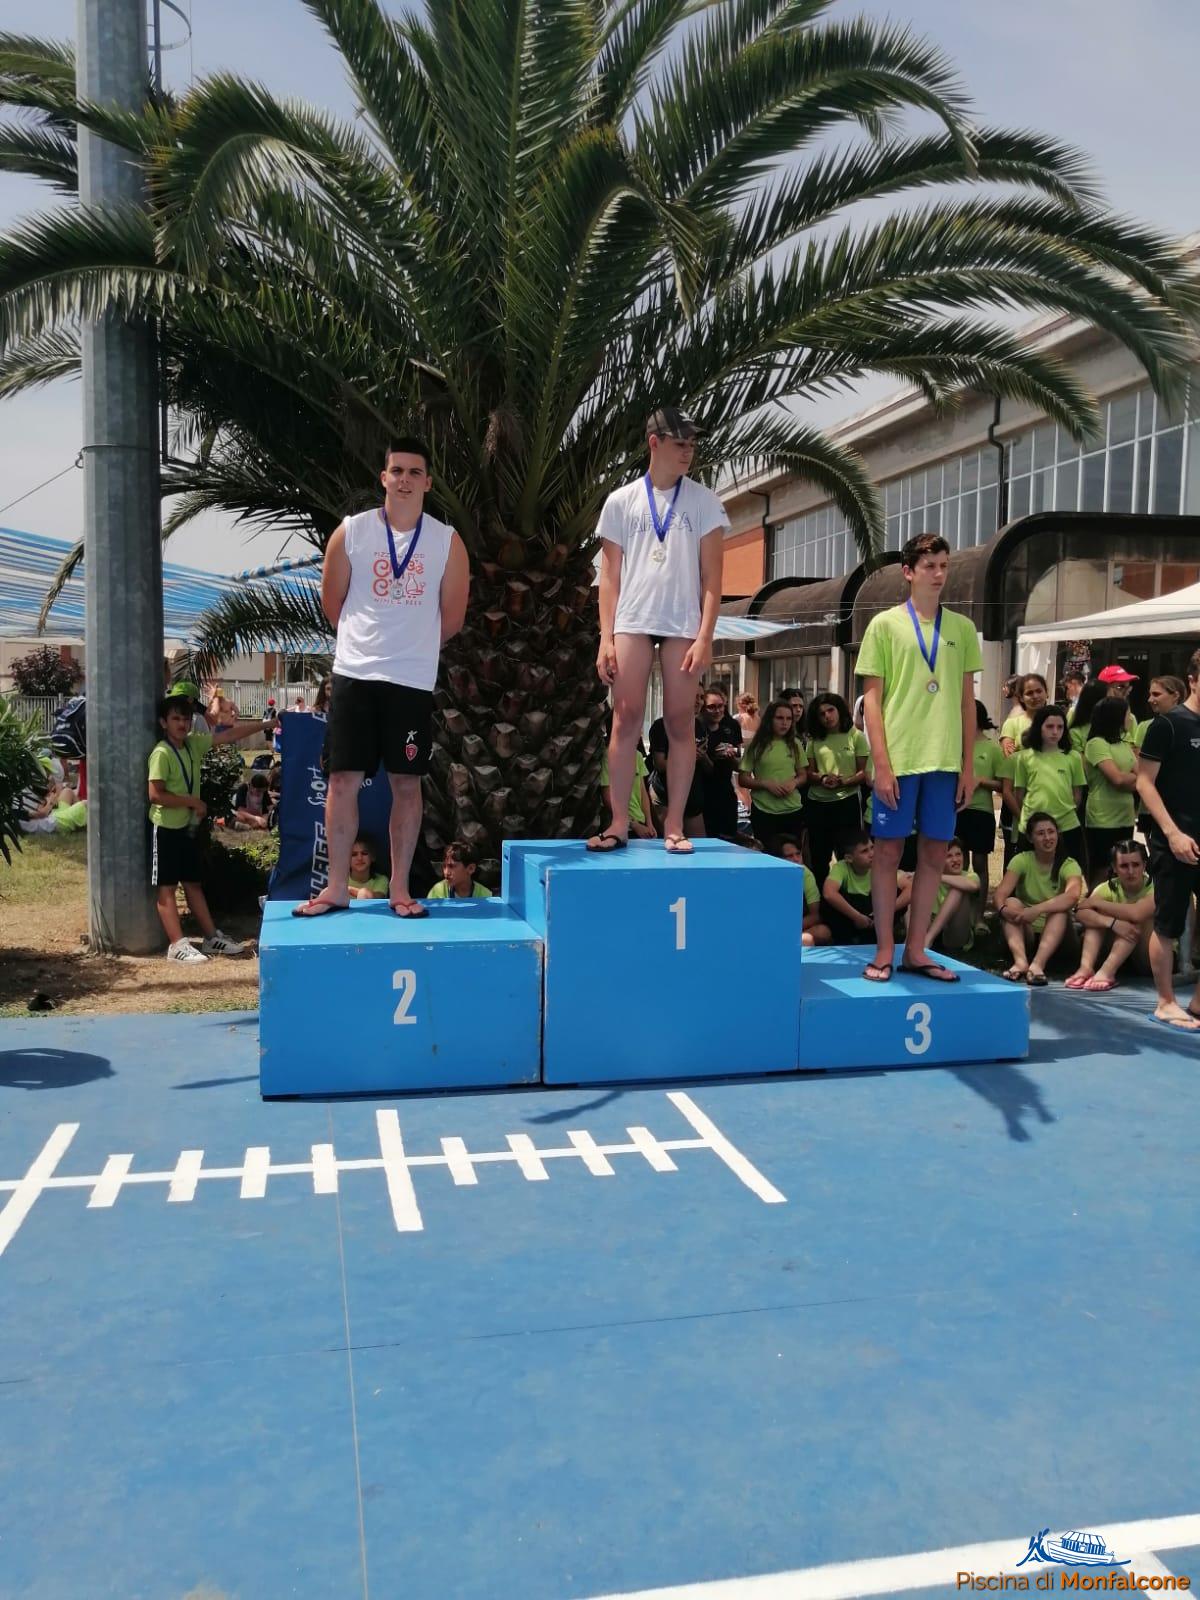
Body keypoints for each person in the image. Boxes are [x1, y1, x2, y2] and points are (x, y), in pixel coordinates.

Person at [292, 436, 470, 918]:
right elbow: (332, 603)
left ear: (428, 482)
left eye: (415, 472)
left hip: (410, 682)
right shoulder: (351, 532)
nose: (405, 480)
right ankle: (336, 887)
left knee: (407, 785)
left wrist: (411, 647)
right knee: (341, 780)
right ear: (383, 478)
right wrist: (367, 645)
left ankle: (399, 889)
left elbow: (452, 618)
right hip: (355, 673)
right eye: (397, 471)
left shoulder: (447, 542)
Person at [589, 406, 728, 856]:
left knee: (680, 721)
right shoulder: (621, 501)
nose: (689, 451)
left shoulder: (705, 502)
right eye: (680, 442)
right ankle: (618, 823)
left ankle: (674, 825)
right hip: (632, 618)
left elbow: (713, 579)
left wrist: (705, 637)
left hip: (682, 623)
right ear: (655, 443)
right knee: (625, 718)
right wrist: (605, 637)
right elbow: (609, 577)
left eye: (692, 443)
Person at [857, 530, 982, 984]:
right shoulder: (884, 625)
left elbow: (967, 703)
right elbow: (872, 701)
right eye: (930, 566)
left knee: (934, 854)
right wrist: (882, 765)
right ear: (908, 571)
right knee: (888, 853)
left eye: (944, 566)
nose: (938, 574)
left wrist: (968, 766)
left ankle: (916, 949)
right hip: (900, 758)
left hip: (944, 762)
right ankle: (884, 948)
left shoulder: (962, 628)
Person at [148, 695, 263, 962]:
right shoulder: (162, 753)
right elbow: (155, 795)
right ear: (163, 722)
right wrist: (192, 802)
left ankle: (211, 937)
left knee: (193, 883)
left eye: (186, 719)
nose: (182, 724)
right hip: (166, 828)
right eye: (176, 718)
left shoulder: (192, 745)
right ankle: (177, 944)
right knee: (167, 887)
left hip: (187, 827)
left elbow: (229, 735)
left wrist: (267, 725)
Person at [1134, 648, 1200, 1030]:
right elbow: (1144, 782)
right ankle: (1165, 1002)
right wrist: (1173, 833)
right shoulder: (1169, 725)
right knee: (1168, 923)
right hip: (1173, 838)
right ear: (1192, 680)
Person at [993, 812, 1084, 985]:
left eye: (1051, 832)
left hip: (1060, 936)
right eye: (1041, 833)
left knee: (1060, 912)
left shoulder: (1069, 864)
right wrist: (1003, 910)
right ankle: (1020, 961)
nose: (1047, 838)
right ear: (1030, 838)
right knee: (1011, 902)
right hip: (1027, 930)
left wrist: (1036, 909)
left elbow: (1072, 896)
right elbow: (1000, 895)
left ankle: (1037, 965)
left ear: (1058, 834)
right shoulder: (1021, 860)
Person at [1066, 839, 1154, 992]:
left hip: (1149, 959)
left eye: (1136, 865)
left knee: (1135, 918)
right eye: (1124, 866)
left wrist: (1097, 903)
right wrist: (1111, 923)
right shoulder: (1107, 887)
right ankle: (1086, 968)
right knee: (1096, 918)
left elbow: (1136, 913)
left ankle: (1107, 972)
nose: (1131, 871)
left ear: (1144, 865)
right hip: (1119, 955)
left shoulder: (1155, 888)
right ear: (1114, 867)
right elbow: (1081, 912)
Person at [1005, 703, 1085, 864]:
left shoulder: (1073, 757)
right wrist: (1031, 818)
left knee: (1069, 870)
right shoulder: (1024, 758)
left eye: (1060, 727)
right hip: (1032, 825)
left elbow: (1077, 794)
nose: (1055, 732)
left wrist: (1064, 812)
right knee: (1028, 871)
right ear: (1038, 727)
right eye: (1049, 726)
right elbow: (1019, 795)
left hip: (1067, 825)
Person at [805, 692, 869, 887]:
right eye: (821, 713)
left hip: (847, 802)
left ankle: (847, 895)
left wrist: (845, 782)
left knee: (848, 855)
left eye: (830, 710)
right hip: (817, 804)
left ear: (839, 710)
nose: (827, 716)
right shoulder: (814, 740)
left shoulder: (856, 736)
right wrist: (822, 778)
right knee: (819, 858)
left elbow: (864, 773)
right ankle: (820, 897)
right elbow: (808, 772)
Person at [957, 699, 1006, 925]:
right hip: (956, 810)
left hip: (981, 812)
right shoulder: (954, 746)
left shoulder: (992, 748)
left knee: (979, 864)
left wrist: (980, 781)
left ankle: (978, 916)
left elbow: (1002, 785)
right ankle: (959, 914)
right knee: (957, 864)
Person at [738, 698, 807, 852]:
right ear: (770, 719)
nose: (784, 723)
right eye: (780, 718)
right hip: (764, 811)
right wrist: (765, 784)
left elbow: (803, 775)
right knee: (768, 854)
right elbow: (743, 778)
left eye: (788, 719)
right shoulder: (756, 746)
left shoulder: (795, 744)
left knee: (792, 855)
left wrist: (794, 783)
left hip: (792, 810)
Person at [1082, 695, 1138, 882]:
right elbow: (1117, 779)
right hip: (1103, 818)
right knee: (1102, 869)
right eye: (1128, 714)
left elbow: (1142, 776)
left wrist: (1131, 779)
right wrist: (1132, 779)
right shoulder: (1096, 744)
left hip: (1126, 816)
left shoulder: (1124, 744)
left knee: (1122, 868)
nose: (1130, 719)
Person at [822, 829, 912, 945]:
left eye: (872, 847)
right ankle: (845, 939)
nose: (872, 854)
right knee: (829, 904)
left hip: (877, 914)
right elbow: (828, 893)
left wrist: (886, 911)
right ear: (849, 858)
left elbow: (910, 890)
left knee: (897, 893)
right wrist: (857, 917)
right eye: (864, 851)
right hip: (851, 917)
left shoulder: (881, 865)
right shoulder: (841, 867)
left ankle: (882, 937)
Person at [646, 691, 706, 838]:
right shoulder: (660, 726)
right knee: (670, 841)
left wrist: (705, 758)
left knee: (699, 844)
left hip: (692, 794)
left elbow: (706, 766)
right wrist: (688, 757)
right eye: (694, 696)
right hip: (664, 794)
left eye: (701, 697)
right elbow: (660, 764)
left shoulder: (699, 726)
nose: (698, 701)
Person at [695, 685, 743, 841]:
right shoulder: (697, 728)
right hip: (702, 793)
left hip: (725, 793)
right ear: (704, 708)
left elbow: (740, 764)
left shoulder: (731, 726)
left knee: (729, 839)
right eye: (712, 707)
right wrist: (707, 757)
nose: (717, 711)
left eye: (720, 706)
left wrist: (731, 756)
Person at [920, 837, 979, 954]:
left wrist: (938, 877)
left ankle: (928, 940)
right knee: (914, 891)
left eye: (958, 854)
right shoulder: (930, 877)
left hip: (954, 935)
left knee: (958, 888)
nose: (955, 860)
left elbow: (973, 886)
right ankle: (910, 940)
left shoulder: (970, 876)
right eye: (949, 856)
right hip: (929, 926)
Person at [600, 717, 656, 840]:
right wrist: (632, 824)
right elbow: (607, 798)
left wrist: (649, 823)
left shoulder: (638, 756)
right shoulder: (608, 757)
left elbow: (643, 792)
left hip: (641, 825)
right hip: (621, 827)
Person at [772, 834, 831, 945]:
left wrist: (789, 931)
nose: (796, 859)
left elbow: (815, 916)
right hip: (774, 929)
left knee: (822, 932)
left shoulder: (806, 875)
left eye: (798, 854)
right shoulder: (770, 877)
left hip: (797, 928)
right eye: (789, 856)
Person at [427, 839, 494, 899]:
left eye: (451, 866)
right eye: (444, 866)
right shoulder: (437, 892)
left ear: (470, 868)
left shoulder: (485, 896)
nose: (446, 872)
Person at [347, 834, 390, 899]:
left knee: (363, 892)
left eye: (364, 853)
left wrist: (350, 890)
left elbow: (378, 898)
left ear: (373, 857)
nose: (359, 858)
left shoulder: (381, 880)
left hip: (370, 906)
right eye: (354, 854)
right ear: (347, 859)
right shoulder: (341, 880)